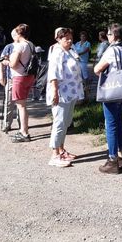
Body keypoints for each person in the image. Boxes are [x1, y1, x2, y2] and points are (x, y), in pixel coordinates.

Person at [94, 23, 122, 174]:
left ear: (114, 35)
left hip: (111, 91)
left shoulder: (111, 50)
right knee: (119, 122)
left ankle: (112, 159)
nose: (107, 36)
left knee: (111, 124)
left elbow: (97, 69)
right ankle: (121, 157)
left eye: (109, 34)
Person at [47, 27, 84, 168]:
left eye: (70, 38)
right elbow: (53, 74)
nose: (69, 40)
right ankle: (54, 155)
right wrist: (55, 92)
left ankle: (61, 150)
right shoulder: (56, 52)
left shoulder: (70, 50)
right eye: (65, 38)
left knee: (66, 122)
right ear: (58, 39)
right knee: (59, 122)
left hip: (71, 92)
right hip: (61, 93)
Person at [8, 23, 35, 143]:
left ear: (19, 33)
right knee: (23, 105)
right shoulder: (30, 44)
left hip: (19, 77)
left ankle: (24, 133)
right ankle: (24, 130)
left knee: (21, 106)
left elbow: (13, 64)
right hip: (29, 76)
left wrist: (6, 62)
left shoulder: (19, 46)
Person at [0, 30, 19, 133]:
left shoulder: (27, 45)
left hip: (22, 78)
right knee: (9, 101)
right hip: (11, 77)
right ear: (14, 36)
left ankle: (21, 124)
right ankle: (7, 124)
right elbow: (1, 61)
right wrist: (1, 76)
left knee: (21, 103)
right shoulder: (9, 47)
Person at [74, 31, 91, 99]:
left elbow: (86, 50)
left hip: (84, 61)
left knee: (85, 75)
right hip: (77, 61)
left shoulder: (87, 43)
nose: (82, 37)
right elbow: (74, 50)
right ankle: (80, 87)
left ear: (85, 37)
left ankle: (87, 87)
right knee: (78, 74)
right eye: (81, 36)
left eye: (84, 36)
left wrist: (79, 54)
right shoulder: (77, 43)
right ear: (80, 37)